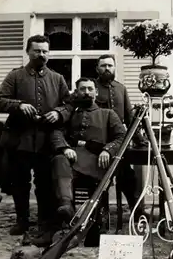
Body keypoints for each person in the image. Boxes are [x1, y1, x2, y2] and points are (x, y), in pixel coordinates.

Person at [0, 35, 71, 239]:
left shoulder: (58, 78)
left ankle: (44, 221)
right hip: (20, 140)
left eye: (45, 51)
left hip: (47, 140)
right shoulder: (15, 76)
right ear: (28, 51)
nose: (41, 55)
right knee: (20, 183)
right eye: (37, 51)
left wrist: (59, 113)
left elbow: (70, 105)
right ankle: (22, 221)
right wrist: (18, 105)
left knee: (44, 183)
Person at [50, 78, 126, 229]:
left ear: (96, 93)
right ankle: (66, 207)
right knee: (59, 159)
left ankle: (94, 222)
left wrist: (107, 150)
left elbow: (121, 136)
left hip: (98, 161)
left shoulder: (108, 114)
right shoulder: (70, 114)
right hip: (73, 160)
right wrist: (65, 148)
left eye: (90, 89)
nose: (87, 92)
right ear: (76, 92)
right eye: (83, 89)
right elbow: (57, 132)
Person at [93, 54, 146, 218]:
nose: (107, 68)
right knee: (101, 178)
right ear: (97, 68)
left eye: (110, 65)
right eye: (103, 66)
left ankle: (136, 213)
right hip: (98, 142)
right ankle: (100, 215)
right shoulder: (92, 88)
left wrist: (140, 140)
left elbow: (130, 117)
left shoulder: (121, 88)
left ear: (115, 68)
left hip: (120, 141)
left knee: (127, 178)